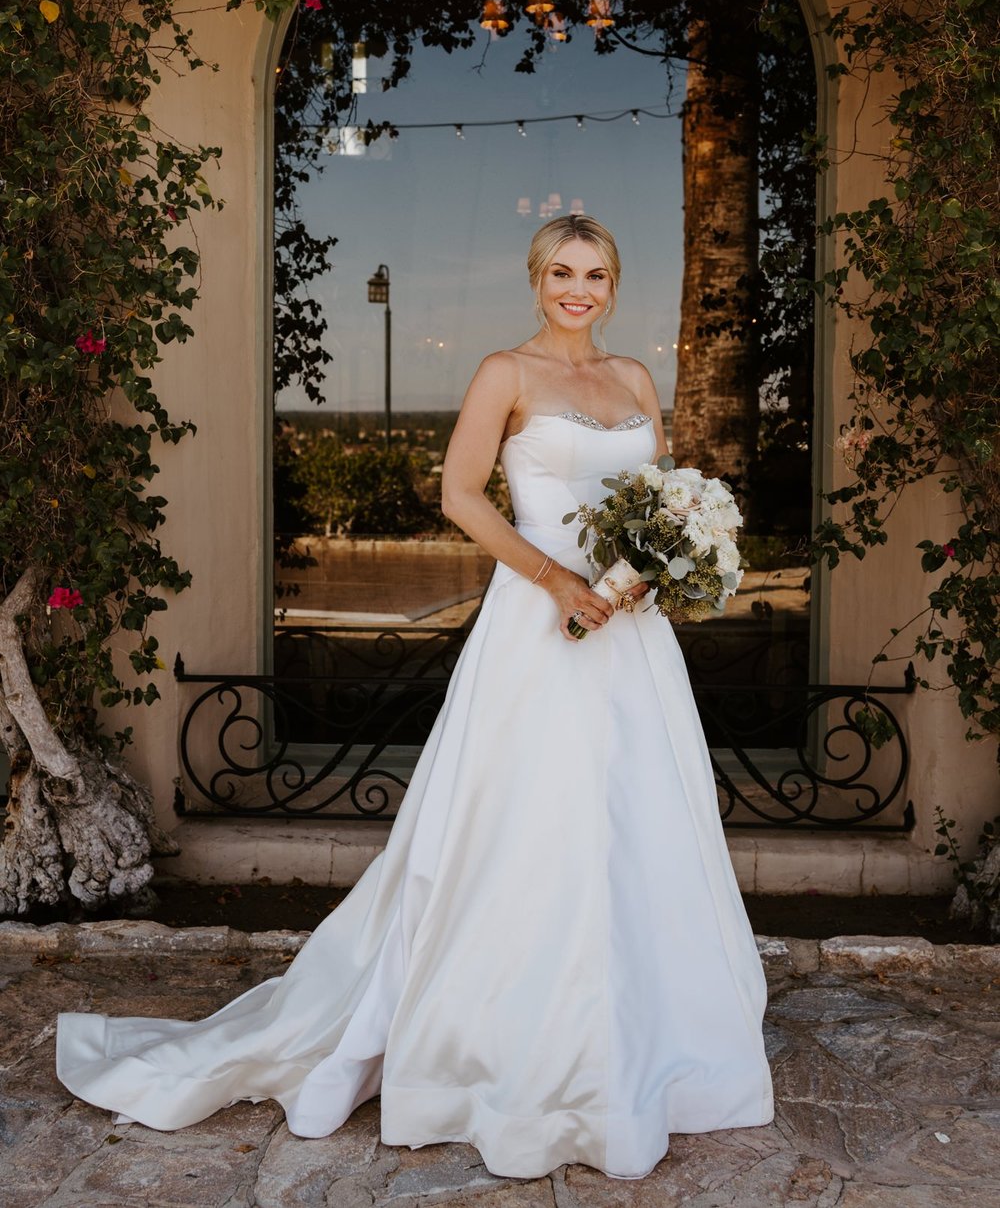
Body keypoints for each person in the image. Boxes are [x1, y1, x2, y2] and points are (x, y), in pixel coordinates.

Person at [56, 214, 773, 1181]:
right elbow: (460, 495)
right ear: (535, 280)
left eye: (595, 273)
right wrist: (559, 582)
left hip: (631, 641)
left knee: (638, 823)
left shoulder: (636, 380)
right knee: (521, 827)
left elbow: (662, 499)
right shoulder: (504, 373)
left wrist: (650, 572)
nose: (578, 288)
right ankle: (499, 1047)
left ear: (613, 284)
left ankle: (647, 1047)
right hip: (540, 631)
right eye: (561, 271)